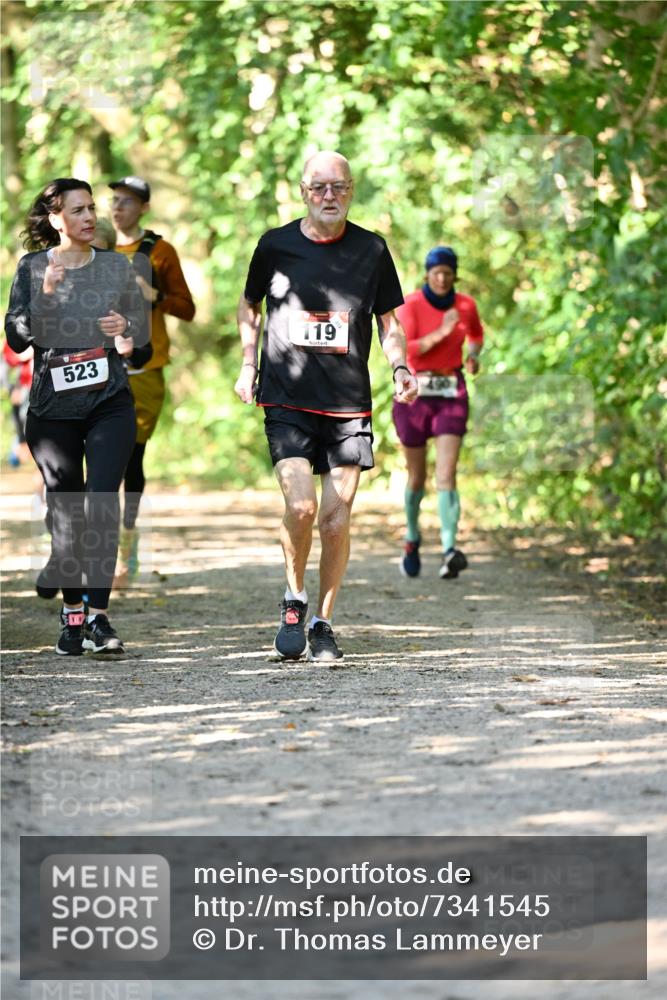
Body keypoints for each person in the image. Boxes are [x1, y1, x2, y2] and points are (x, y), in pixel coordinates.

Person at [235, 150, 417, 662]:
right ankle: (293, 597)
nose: (329, 196)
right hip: (286, 397)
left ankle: (322, 623)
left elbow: (389, 322)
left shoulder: (372, 250)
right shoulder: (275, 246)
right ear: (303, 192)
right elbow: (248, 306)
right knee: (302, 506)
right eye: (319, 188)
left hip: (348, 404)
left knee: (336, 520)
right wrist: (248, 363)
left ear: (351, 191)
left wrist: (400, 366)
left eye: (338, 187)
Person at [4, 177, 146, 654]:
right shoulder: (29, 268)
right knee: (68, 515)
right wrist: (45, 290)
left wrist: (125, 328)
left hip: (109, 401)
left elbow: (139, 339)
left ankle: (99, 618)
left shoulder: (114, 267)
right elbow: (18, 339)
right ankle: (72, 616)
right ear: (54, 219)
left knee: (102, 501)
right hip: (52, 409)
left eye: (91, 209)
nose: (89, 218)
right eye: (78, 210)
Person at [109, 175, 195, 585]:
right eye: (114, 201)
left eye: (127, 201)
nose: (117, 208)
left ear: (144, 207)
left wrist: (154, 295)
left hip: (146, 369)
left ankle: (127, 547)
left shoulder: (161, 252)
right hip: (99, 367)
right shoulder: (96, 247)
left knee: (133, 458)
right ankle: (100, 549)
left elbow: (187, 308)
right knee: (100, 459)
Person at [392, 246, 484, 579]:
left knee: (447, 472)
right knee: (417, 476)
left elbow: (476, 334)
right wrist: (443, 332)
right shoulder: (412, 303)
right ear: (427, 274)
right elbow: (407, 347)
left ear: (454, 274)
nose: (442, 278)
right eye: (436, 273)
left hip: (451, 391)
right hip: (415, 393)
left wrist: (473, 355)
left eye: (447, 272)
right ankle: (413, 538)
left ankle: (449, 549)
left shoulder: (466, 305)